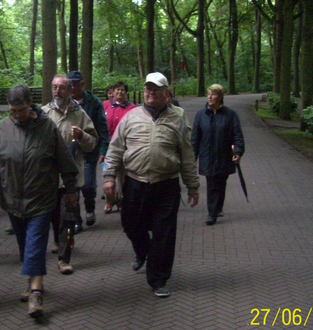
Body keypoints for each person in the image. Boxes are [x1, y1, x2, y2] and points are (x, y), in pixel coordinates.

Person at [0, 85, 78, 318]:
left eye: (22, 110)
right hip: (13, 199)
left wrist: (72, 189)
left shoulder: (47, 128)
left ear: (30, 104)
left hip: (42, 198)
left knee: (35, 243)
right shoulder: (0, 130)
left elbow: (64, 160)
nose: (18, 115)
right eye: (13, 111)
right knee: (25, 245)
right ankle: (33, 281)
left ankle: (36, 292)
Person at [103, 72, 199, 298]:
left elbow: (186, 153)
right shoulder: (131, 116)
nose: (150, 92)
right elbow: (115, 148)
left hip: (166, 185)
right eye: (147, 88)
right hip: (135, 183)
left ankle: (158, 279)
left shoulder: (178, 117)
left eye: (155, 89)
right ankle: (143, 250)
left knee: (164, 234)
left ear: (167, 94)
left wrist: (192, 186)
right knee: (130, 224)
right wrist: (109, 178)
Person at [44, 74, 99, 274]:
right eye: (54, 87)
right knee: (53, 216)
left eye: (62, 88)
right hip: (48, 178)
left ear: (69, 90)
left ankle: (64, 258)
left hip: (72, 178)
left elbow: (93, 142)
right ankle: (58, 241)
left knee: (69, 219)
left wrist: (82, 136)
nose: (57, 91)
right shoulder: (43, 114)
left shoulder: (79, 114)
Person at [190, 83, 245, 226]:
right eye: (208, 94)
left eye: (213, 94)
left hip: (224, 156)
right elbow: (195, 138)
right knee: (212, 184)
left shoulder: (230, 114)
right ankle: (211, 214)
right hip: (207, 156)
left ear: (220, 97)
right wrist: (192, 156)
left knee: (221, 182)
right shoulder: (201, 115)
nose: (209, 97)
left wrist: (238, 152)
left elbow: (237, 135)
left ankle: (218, 207)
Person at [68, 70, 109, 228]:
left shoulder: (93, 102)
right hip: (70, 151)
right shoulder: (66, 102)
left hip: (89, 149)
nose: (73, 88)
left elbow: (102, 126)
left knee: (88, 185)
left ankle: (90, 208)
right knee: (72, 187)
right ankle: (76, 220)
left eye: (77, 85)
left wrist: (103, 149)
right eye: (71, 85)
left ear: (83, 84)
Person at [102, 81, 137, 213]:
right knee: (108, 176)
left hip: (124, 148)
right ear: (113, 91)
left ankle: (122, 201)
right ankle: (110, 201)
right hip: (108, 147)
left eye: (122, 90)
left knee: (122, 177)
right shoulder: (105, 105)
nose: (119, 92)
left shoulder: (132, 108)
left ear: (126, 92)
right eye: (117, 89)